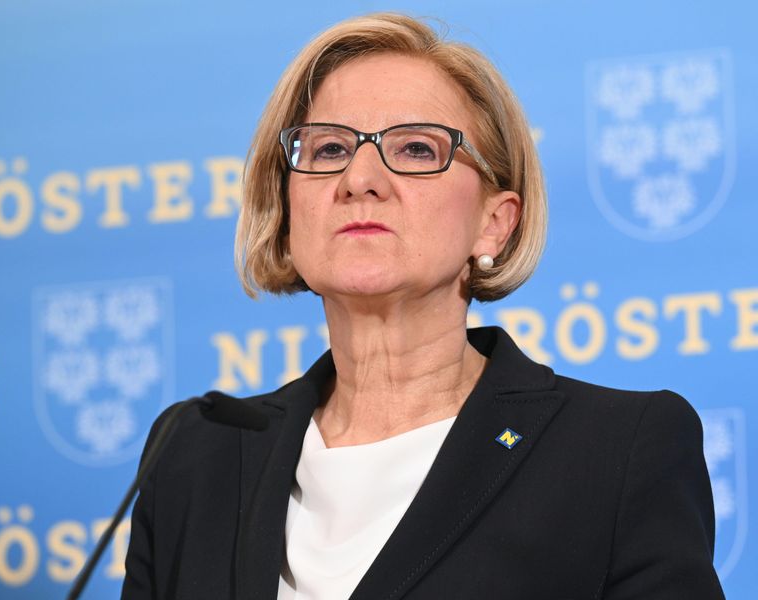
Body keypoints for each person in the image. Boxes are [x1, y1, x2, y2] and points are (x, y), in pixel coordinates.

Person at [122, 13, 725, 599]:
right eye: (328, 149)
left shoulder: (615, 451)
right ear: (285, 211)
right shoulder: (194, 456)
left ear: (494, 223)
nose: (359, 178)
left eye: (415, 148)